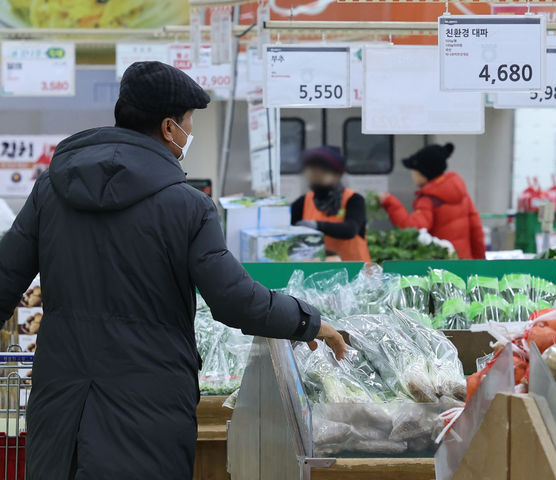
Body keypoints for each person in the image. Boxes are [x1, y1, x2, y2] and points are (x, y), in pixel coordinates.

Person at [0, 61, 347, 479]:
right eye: (188, 122)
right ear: (169, 128)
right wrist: (309, 321)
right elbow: (236, 302)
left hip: (61, 411)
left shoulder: (50, 191)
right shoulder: (187, 206)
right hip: (147, 414)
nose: (188, 132)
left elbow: (4, 279)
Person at [378, 143, 486, 260]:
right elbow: (476, 231)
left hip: (442, 266)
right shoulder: (463, 195)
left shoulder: (429, 199)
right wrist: (479, 262)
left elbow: (413, 230)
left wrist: (390, 203)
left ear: (424, 172)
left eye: (414, 170)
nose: (412, 174)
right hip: (464, 262)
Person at [291, 146, 371, 262]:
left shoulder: (353, 200)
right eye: (311, 170)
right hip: (318, 272)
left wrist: (317, 226)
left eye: (320, 171)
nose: (314, 175)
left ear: (336, 174)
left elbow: (350, 229)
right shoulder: (303, 202)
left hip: (354, 273)